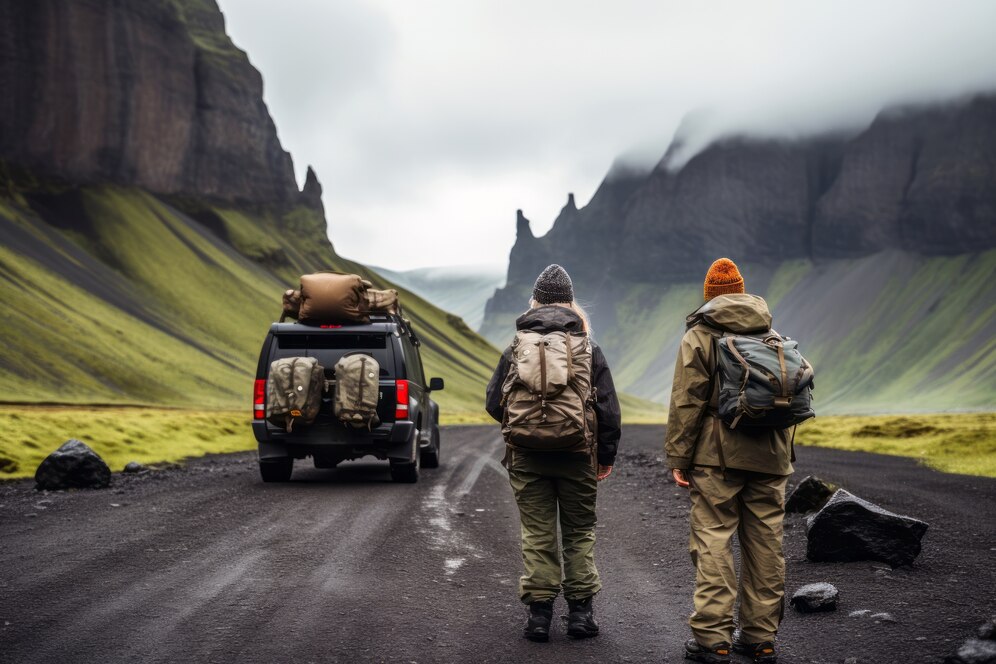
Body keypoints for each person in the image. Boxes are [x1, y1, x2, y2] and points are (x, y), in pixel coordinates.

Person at [665, 258, 794, 664]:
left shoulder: (699, 335)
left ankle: (713, 639)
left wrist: (678, 457)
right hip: (771, 456)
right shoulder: (771, 334)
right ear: (741, 290)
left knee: (714, 540)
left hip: (716, 458)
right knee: (766, 544)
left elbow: (687, 401)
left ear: (710, 296)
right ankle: (760, 638)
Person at [486, 263, 622, 643]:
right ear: (571, 303)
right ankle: (581, 615)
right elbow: (609, 410)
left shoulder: (516, 347)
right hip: (579, 455)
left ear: (535, 302)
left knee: (537, 532)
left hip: (526, 458)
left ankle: (539, 617)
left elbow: (494, 402)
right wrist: (605, 456)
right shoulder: (588, 348)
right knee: (578, 532)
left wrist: (524, 430)